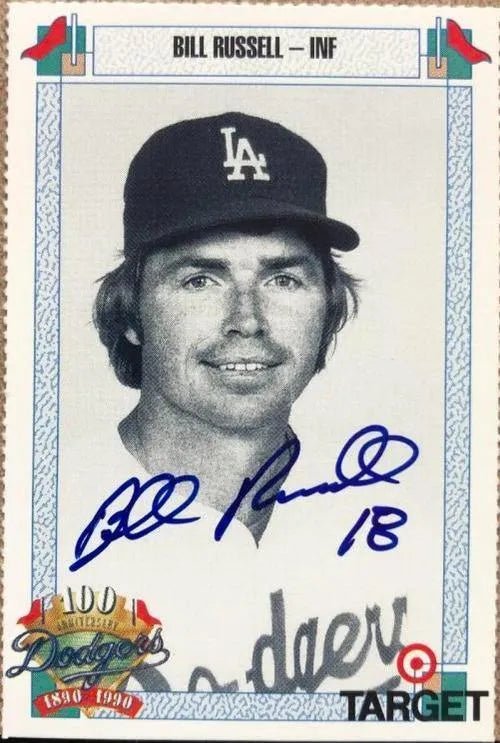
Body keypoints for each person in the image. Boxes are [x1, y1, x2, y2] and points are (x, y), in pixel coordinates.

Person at [93, 111, 359, 544]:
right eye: (200, 281)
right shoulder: (44, 510)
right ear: (131, 313)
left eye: (283, 280)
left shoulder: (383, 518)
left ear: (328, 308)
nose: (247, 321)